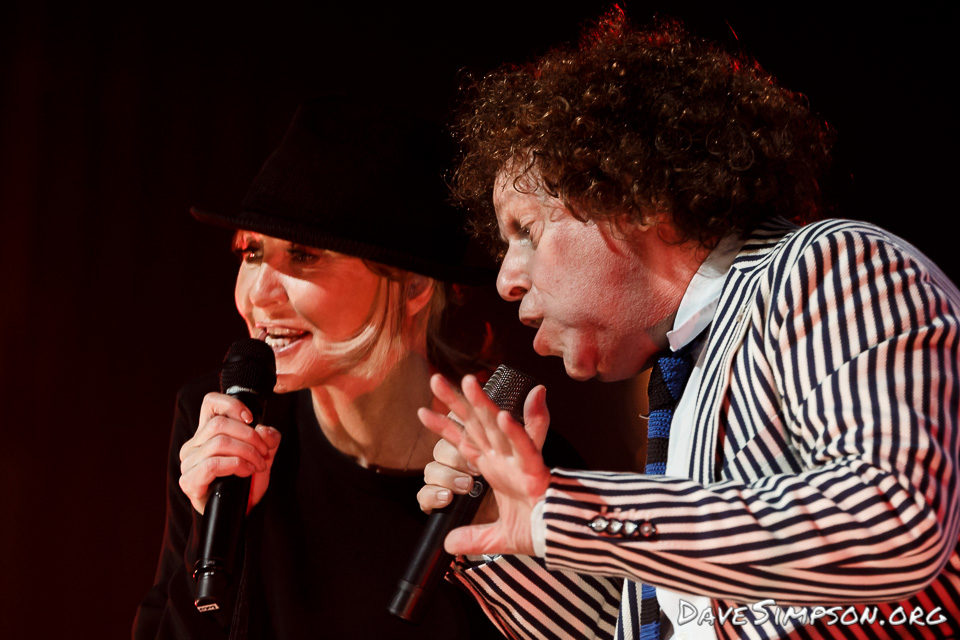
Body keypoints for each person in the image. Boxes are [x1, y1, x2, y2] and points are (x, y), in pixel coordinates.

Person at [416, 11, 960, 640]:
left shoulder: (828, 268)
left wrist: (567, 512)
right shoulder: (684, 376)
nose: (507, 279)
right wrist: (510, 522)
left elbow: (893, 521)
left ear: (637, 196)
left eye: (527, 232)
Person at [132, 96, 508, 639]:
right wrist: (211, 541)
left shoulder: (509, 467)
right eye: (252, 252)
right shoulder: (222, 421)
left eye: (304, 256)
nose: (258, 292)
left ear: (416, 287)